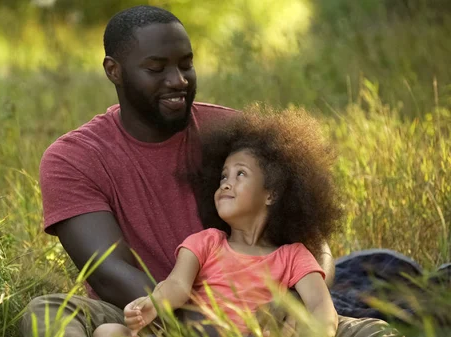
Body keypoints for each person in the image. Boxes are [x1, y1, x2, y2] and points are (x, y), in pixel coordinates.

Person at [21, 5, 398, 337]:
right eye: (157, 68)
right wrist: (205, 325)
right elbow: (109, 273)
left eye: (186, 64)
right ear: (113, 71)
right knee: (49, 313)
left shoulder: (236, 135)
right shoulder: (73, 157)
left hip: (262, 314)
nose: (178, 80)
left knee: (375, 330)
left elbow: (316, 249)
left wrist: (289, 305)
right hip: (148, 311)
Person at [93, 108, 341, 337]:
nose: (225, 183)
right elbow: (177, 286)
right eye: (223, 175)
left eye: (240, 174)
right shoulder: (206, 242)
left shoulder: (293, 256)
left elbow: (321, 305)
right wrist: (154, 304)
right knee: (109, 332)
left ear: (271, 194)